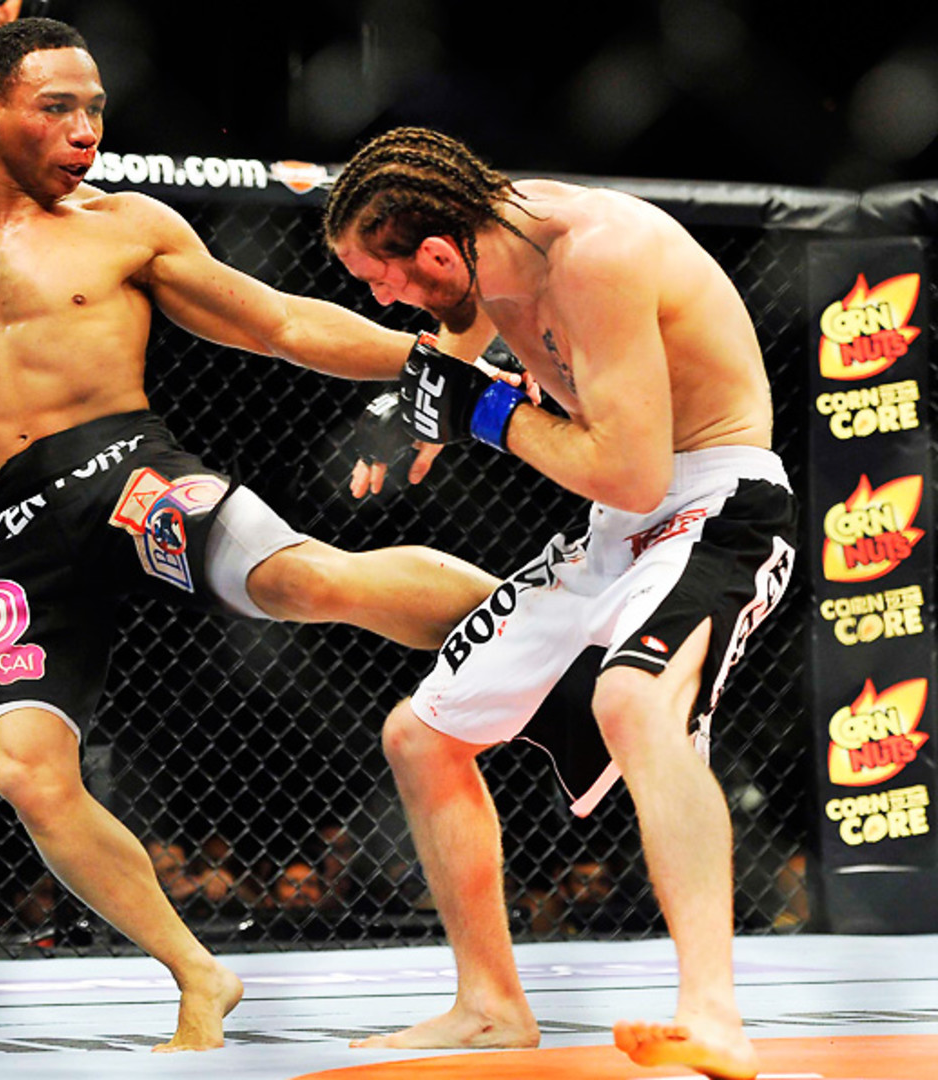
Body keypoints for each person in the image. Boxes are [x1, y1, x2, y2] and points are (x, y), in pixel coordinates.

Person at [0, 20, 501, 1052]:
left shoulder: (128, 225)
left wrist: (434, 369)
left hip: (127, 469)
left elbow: (277, 321)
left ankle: (548, 614)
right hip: (14, 519)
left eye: (95, 106)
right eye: (58, 107)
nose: (87, 127)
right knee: (28, 774)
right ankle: (196, 971)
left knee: (299, 581)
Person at [323, 127, 797, 1080]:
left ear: (437, 251)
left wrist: (489, 413)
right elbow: (460, 332)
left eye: (382, 279)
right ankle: (491, 1006)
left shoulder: (594, 255)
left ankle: (714, 1016)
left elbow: (629, 471)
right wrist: (415, 409)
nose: (378, 302)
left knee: (631, 701)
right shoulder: (481, 247)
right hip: (610, 530)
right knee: (420, 737)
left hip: (713, 501)